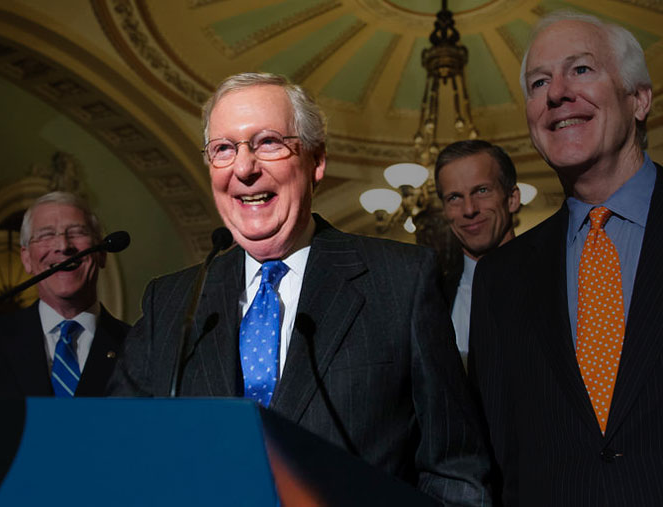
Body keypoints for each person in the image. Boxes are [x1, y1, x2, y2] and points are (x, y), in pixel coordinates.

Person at [109, 72, 491, 504]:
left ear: (316, 160)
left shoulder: (400, 281)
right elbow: (120, 455)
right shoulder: (171, 302)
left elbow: (456, 470)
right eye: (224, 149)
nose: (244, 167)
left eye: (268, 142)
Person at [468, 11, 659, 506]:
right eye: (538, 82)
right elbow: (493, 457)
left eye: (581, 70)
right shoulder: (500, 279)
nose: (556, 93)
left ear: (638, 99)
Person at [0, 192, 131, 399]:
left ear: (101, 254)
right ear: (26, 258)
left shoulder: (140, 348)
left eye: (77, 233)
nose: (63, 246)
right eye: (46, 235)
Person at [435, 140, 520, 367]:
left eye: (482, 191)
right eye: (454, 197)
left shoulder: (557, 278)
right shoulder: (433, 298)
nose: (469, 210)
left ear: (512, 199)